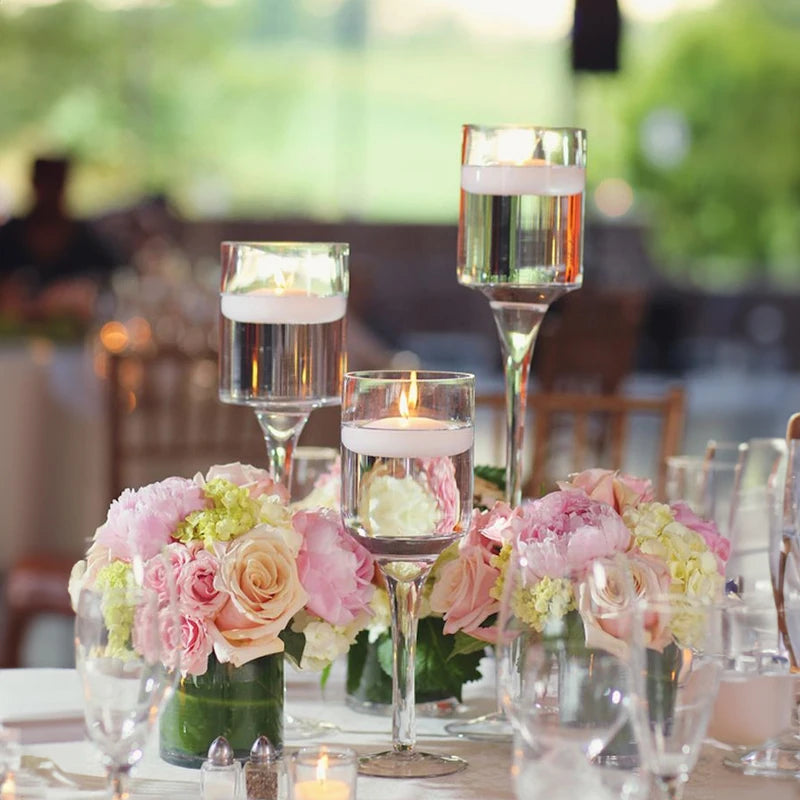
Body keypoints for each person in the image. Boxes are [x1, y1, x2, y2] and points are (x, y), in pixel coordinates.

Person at [0, 156, 117, 325]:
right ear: (34, 183)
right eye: (45, 182)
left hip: (73, 343)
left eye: (55, 183)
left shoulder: (88, 240)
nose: (49, 191)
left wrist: (83, 291)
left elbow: (116, 280)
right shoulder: (8, 236)